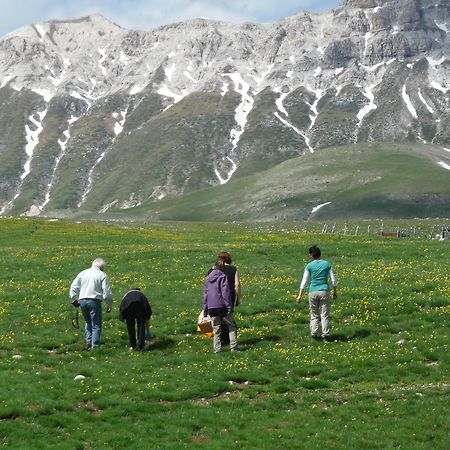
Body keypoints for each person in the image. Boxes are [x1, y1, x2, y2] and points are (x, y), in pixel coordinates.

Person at [296, 245, 337, 342]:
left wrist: (300, 295)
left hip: (313, 291)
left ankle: (314, 334)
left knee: (314, 315)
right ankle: (326, 335)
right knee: (324, 315)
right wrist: (335, 292)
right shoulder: (327, 264)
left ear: (311, 255)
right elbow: (333, 280)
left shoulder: (309, 266)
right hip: (324, 291)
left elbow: (304, 281)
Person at [69, 258, 113, 349]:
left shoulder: (83, 273)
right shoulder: (102, 275)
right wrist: (109, 304)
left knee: (87, 321)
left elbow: (74, 287)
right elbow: (107, 292)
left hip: (82, 300)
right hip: (94, 300)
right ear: (102, 267)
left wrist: (74, 299)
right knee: (96, 324)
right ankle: (95, 346)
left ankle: (88, 341)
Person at [203, 260, 238, 353]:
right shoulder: (223, 276)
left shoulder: (207, 279)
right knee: (231, 326)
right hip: (222, 307)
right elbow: (225, 293)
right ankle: (233, 347)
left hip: (211, 307)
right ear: (222, 268)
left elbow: (205, 295)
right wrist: (229, 307)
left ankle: (217, 350)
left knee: (216, 330)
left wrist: (205, 310)